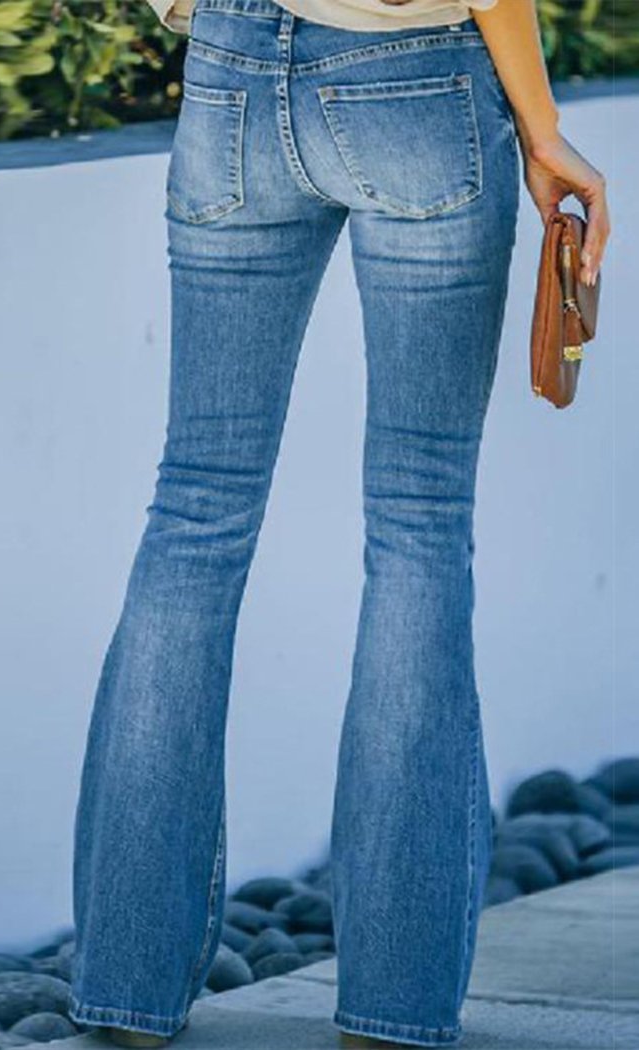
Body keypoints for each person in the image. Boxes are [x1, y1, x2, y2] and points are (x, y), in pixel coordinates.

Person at [66, 0, 610, 1046]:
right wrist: (541, 132)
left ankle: (126, 989)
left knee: (195, 510)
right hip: (418, 77)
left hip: (230, 68)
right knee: (419, 523)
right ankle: (392, 1009)